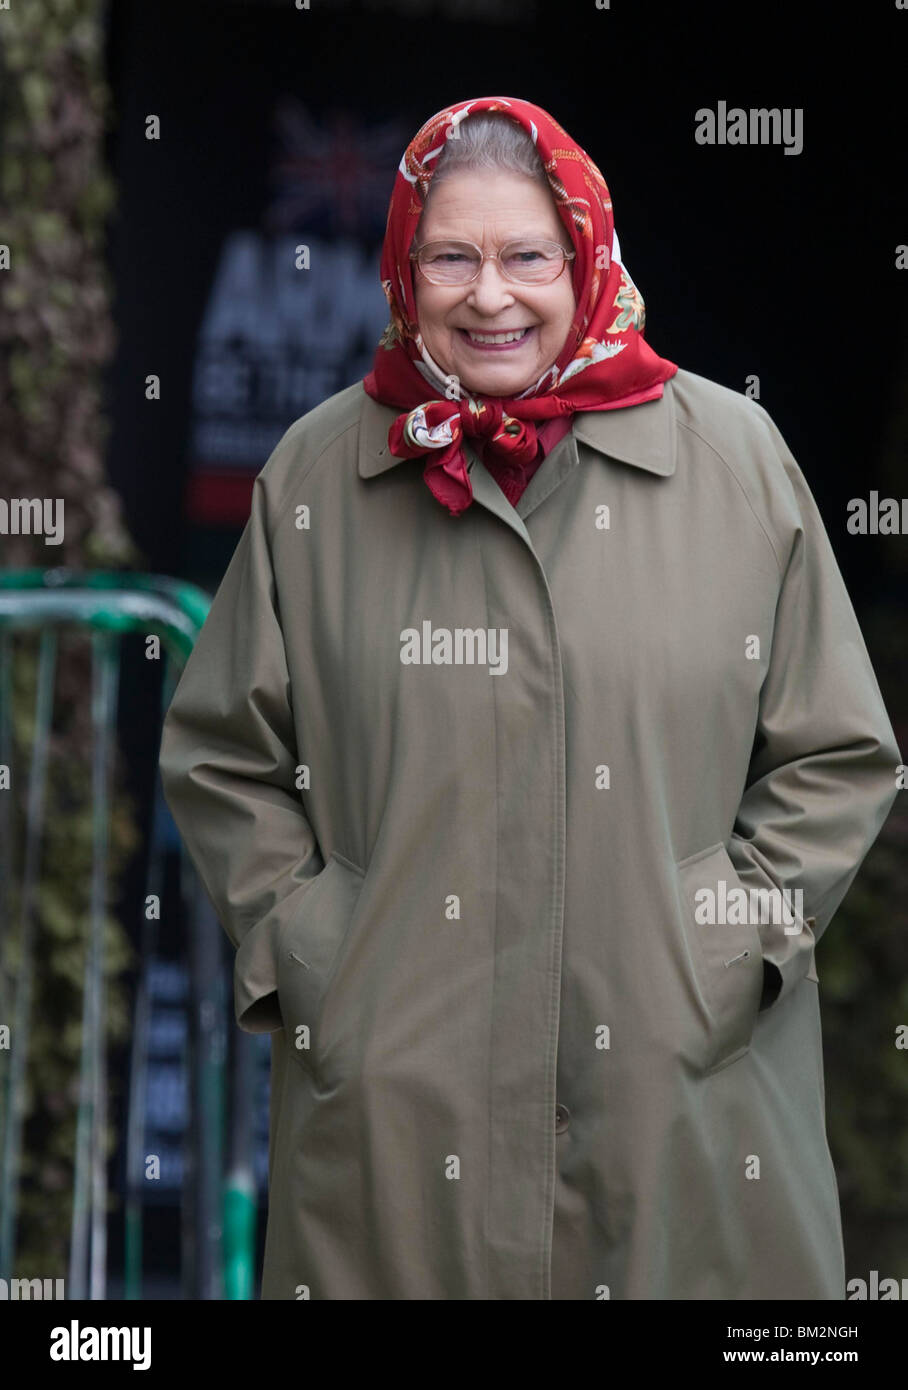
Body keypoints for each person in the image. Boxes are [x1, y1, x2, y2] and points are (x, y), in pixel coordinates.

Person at [158, 95, 902, 1300]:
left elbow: (836, 753)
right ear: (404, 267)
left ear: (585, 261)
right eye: (450, 255)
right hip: (400, 1113)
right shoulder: (319, 472)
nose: (488, 294)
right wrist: (316, 949)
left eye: (525, 256)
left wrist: (722, 946)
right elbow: (222, 755)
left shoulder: (734, 461)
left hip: (675, 1101)